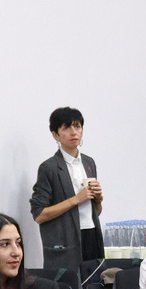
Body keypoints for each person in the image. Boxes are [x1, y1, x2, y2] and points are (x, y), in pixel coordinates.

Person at [29, 105, 105, 277]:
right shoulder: (49, 168)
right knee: (70, 287)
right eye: (66, 128)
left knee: (94, 285)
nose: (73, 132)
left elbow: (95, 212)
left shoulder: (89, 163)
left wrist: (98, 199)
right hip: (65, 242)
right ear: (55, 135)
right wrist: (76, 199)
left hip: (91, 235)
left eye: (77, 126)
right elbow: (39, 214)